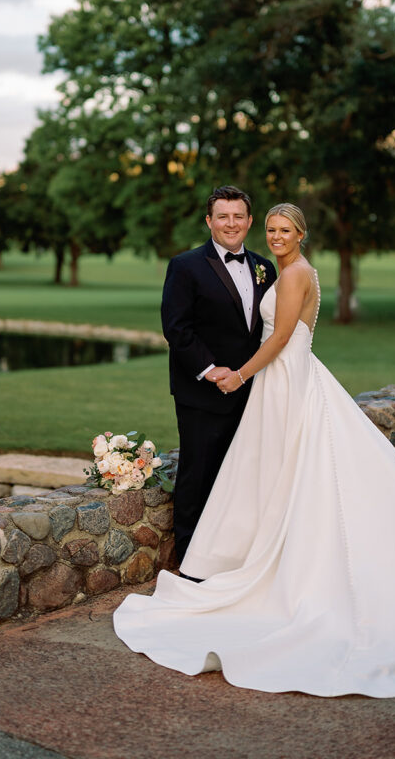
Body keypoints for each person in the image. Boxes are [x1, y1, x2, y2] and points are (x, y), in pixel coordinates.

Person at [114, 203, 395, 697]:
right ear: (213, 221)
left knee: (297, 467)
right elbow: (195, 328)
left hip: (282, 377)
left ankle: (293, 569)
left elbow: (286, 335)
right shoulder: (279, 268)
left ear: (300, 234)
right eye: (270, 228)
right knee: (278, 469)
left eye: (282, 229)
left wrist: (242, 374)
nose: (273, 236)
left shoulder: (290, 274)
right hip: (279, 377)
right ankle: (239, 558)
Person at [160, 185, 276, 566]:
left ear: (249, 221)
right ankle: (190, 560)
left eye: (238, 216)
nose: (231, 223)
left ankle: (231, 555)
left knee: (242, 475)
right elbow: (177, 328)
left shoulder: (264, 267)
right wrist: (210, 371)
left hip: (251, 390)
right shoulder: (185, 266)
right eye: (222, 216)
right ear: (209, 221)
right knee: (199, 473)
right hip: (202, 394)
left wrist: (248, 374)